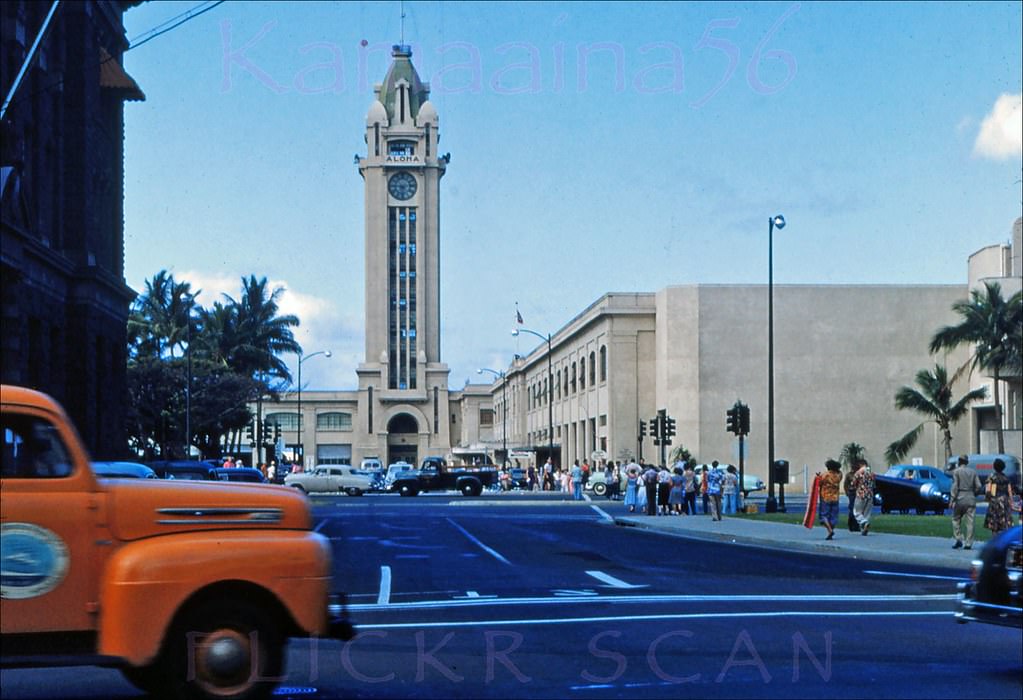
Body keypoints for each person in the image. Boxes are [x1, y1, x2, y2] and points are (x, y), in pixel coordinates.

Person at [950, 454, 982, 549]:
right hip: (971, 497)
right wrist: (974, 493)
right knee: (970, 522)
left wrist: (952, 499)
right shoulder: (973, 472)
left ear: (959, 462)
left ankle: (958, 538)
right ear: (967, 462)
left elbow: (955, 486)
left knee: (956, 519)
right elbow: (979, 486)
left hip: (960, 497)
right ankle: (968, 543)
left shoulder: (956, 472)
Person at [983, 458, 1016, 535]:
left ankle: (995, 541)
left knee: (994, 523)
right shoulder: (1006, 478)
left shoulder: (991, 477)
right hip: (1004, 501)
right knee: (1005, 523)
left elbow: (988, 490)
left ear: (994, 466)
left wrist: (988, 499)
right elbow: (1009, 491)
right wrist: (1011, 502)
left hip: (994, 501)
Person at [818, 459, 843, 540]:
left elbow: (819, 482)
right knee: (833, 515)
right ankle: (831, 529)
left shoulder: (825, 475)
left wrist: (818, 476)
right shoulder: (839, 475)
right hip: (835, 497)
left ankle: (829, 529)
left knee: (824, 515)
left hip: (826, 497)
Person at [851, 459, 875, 535]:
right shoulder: (871, 473)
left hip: (861, 494)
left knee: (857, 512)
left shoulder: (859, 472)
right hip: (870, 494)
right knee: (866, 513)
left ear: (861, 464)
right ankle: (864, 529)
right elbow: (874, 484)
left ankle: (863, 522)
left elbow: (853, 483)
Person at [843, 463, 860, 532]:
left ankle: (856, 526)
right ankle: (851, 524)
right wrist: (847, 492)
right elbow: (845, 484)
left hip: (859, 493)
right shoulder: (849, 475)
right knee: (852, 509)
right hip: (852, 493)